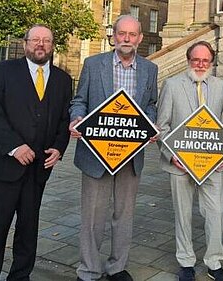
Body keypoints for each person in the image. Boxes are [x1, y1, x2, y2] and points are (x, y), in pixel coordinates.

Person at [0, 24, 72, 281]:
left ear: (52, 46)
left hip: (38, 169)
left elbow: (65, 119)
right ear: (25, 43)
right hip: (2, 167)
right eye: (35, 40)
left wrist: (59, 148)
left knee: (28, 231)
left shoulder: (63, 79)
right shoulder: (3, 71)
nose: (41, 44)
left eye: (47, 41)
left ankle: (20, 277)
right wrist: (15, 147)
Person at [68, 15, 158, 281]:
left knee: (124, 215)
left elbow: (151, 103)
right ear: (114, 36)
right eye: (121, 33)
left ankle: (117, 267)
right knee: (93, 216)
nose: (126, 39)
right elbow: (80, 100)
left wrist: (150, 124)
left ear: (140, 38)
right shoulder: (93, 64)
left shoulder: (149, 70)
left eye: (132, 34)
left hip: (130, 156)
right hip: (95, 155)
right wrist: (76, 118)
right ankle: (89, 270)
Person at [156, 41, 223, 281]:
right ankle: (186, 261)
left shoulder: (220, 86)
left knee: (215, 212)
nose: (200, 64)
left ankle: (214, 262)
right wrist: (172, 155)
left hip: (212, 164)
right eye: (195, 60)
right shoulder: (171, 85)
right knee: (183, 213)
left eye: (205, 60)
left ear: (212, 61)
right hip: (179, 164)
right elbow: (162, 126)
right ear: (188, 60)